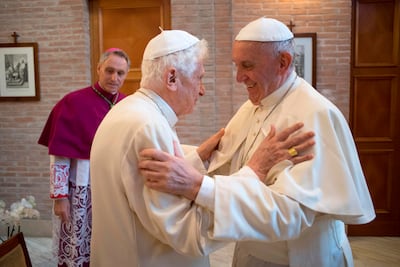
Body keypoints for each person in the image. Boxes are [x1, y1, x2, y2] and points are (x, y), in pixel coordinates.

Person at [138, 17, 376, 266]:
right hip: (251, 254)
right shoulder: (252, 107)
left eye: (248, 65)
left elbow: (290, 215)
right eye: (236, 65)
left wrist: (199, 186)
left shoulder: (313, 115)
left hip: (299, 258)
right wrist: (198, 157)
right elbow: (228, 168)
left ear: (283, 62)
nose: (239, 77)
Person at [89, 29, 315, 267]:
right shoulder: (148, 126)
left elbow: (143, 188)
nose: (202, 89)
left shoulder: (129, 111)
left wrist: (197, 159)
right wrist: (253, 171)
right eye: (199, 78)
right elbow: (189, 233)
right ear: (172, 78)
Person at [38, 48, 130, 267]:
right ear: (98, 69)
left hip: (116, 190)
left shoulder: (129, 104)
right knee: (78, 245)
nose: (114, 78)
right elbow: (59, 155)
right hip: (81, 190)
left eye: (120, 73)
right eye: (109, 70)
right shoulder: (72, 103)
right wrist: (60, 197)